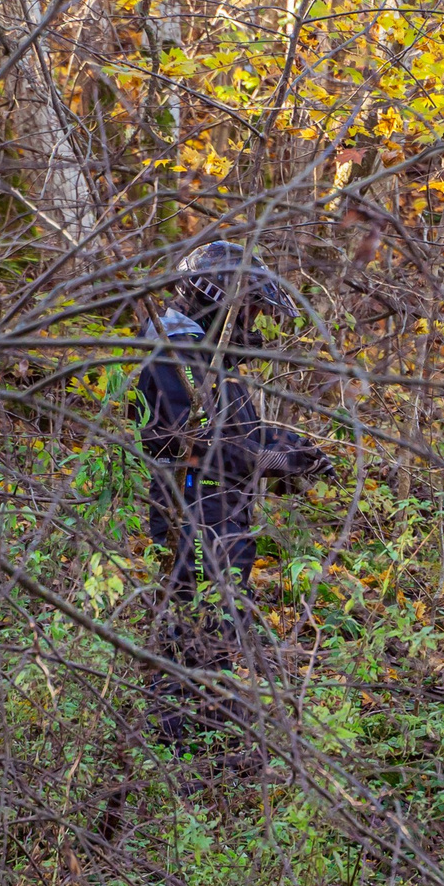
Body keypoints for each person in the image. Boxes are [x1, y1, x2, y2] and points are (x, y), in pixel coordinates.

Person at [136, 242, 326, 735]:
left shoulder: (209, 357)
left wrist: (296, 450)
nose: (252, 322)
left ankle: (211, 715)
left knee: (218, 620)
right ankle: (179, 737)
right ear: (219, 299)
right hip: (190, 509)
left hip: (221, 512)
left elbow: (241, 431)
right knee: (193, 620)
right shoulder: (173, 351)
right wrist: (271, 460)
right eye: (249, 309)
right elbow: (185, 440)